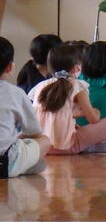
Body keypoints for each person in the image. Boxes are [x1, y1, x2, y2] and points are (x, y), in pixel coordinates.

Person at [28, 44, 106, 154]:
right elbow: (93, 119)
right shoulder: (78, 85)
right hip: (67, 146)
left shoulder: (41, 86)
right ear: (77, 68)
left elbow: (46, 115)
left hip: (41, 146)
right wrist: (96, 112)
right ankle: (87, 147)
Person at [0, 36, 50, 178]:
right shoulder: (15, 93)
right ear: (10, 67)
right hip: (3, 163)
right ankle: (24, 165)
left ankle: (26, 164)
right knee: (44, 141)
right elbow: (34, 132)